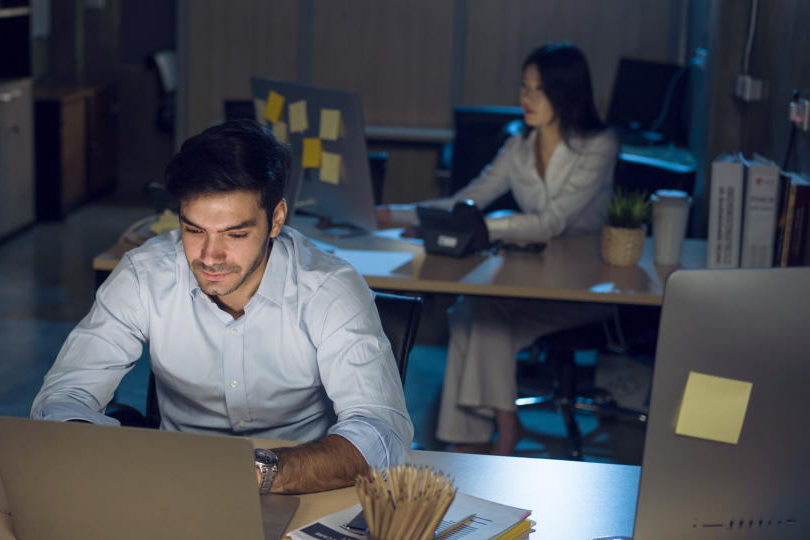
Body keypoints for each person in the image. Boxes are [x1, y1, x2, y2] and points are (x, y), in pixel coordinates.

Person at [32, 119, 413, 494]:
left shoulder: (329, 288)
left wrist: (254, 474)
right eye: (194, 230)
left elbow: (381, 432)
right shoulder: (144, 274)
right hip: (173, 486)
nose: (210, 256)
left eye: (236, 234)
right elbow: (63, 396)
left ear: (276, 219)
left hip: (300, 486)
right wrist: (85, 444)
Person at [377, 43, 618, 455]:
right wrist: (395, 214)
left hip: (586, 284)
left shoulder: (598, 146)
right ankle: (481, 436)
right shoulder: (519, 147)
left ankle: (496, 439)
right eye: (524, 87)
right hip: (530, 274)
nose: (525, 98)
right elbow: (469, 197)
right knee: (474, 312)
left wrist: (473, 226)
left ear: (565, 93)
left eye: (537, 90)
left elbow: (551, 222)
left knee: (479, 318)